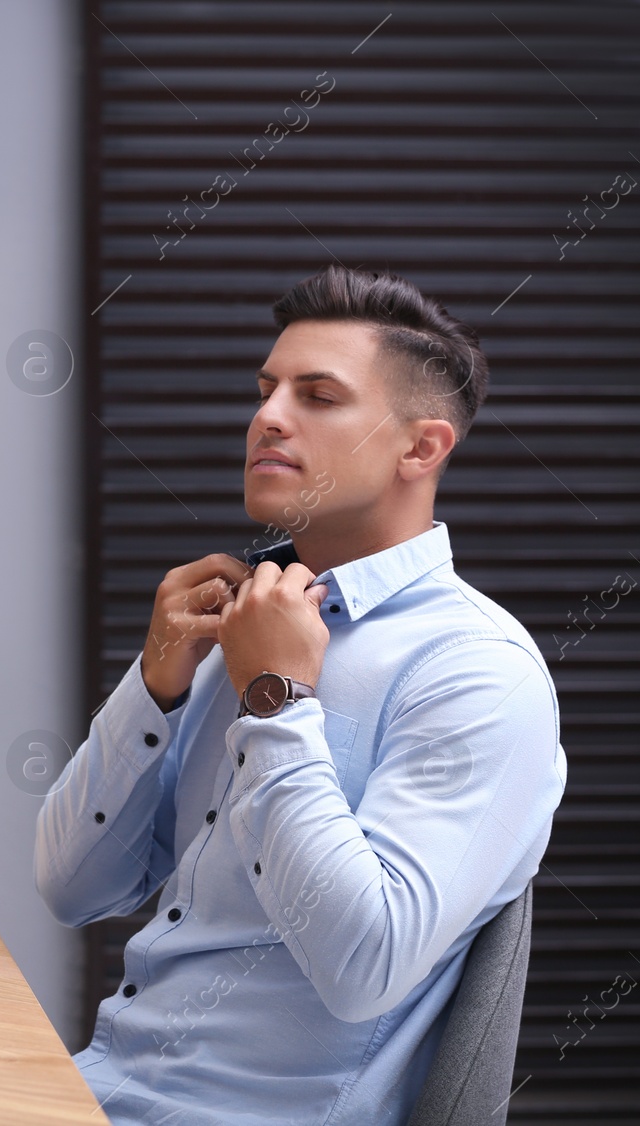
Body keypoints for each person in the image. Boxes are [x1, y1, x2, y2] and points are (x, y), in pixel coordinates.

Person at [35, 264, 565, 1125]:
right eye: (267, 388)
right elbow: (68, 888)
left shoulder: (476, 670)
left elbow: (366, 966)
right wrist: (155, 686)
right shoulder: (251, 624)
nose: (268, 417)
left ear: (421, 448)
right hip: (94, 1089)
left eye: (318, 396)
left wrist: (277, 701)